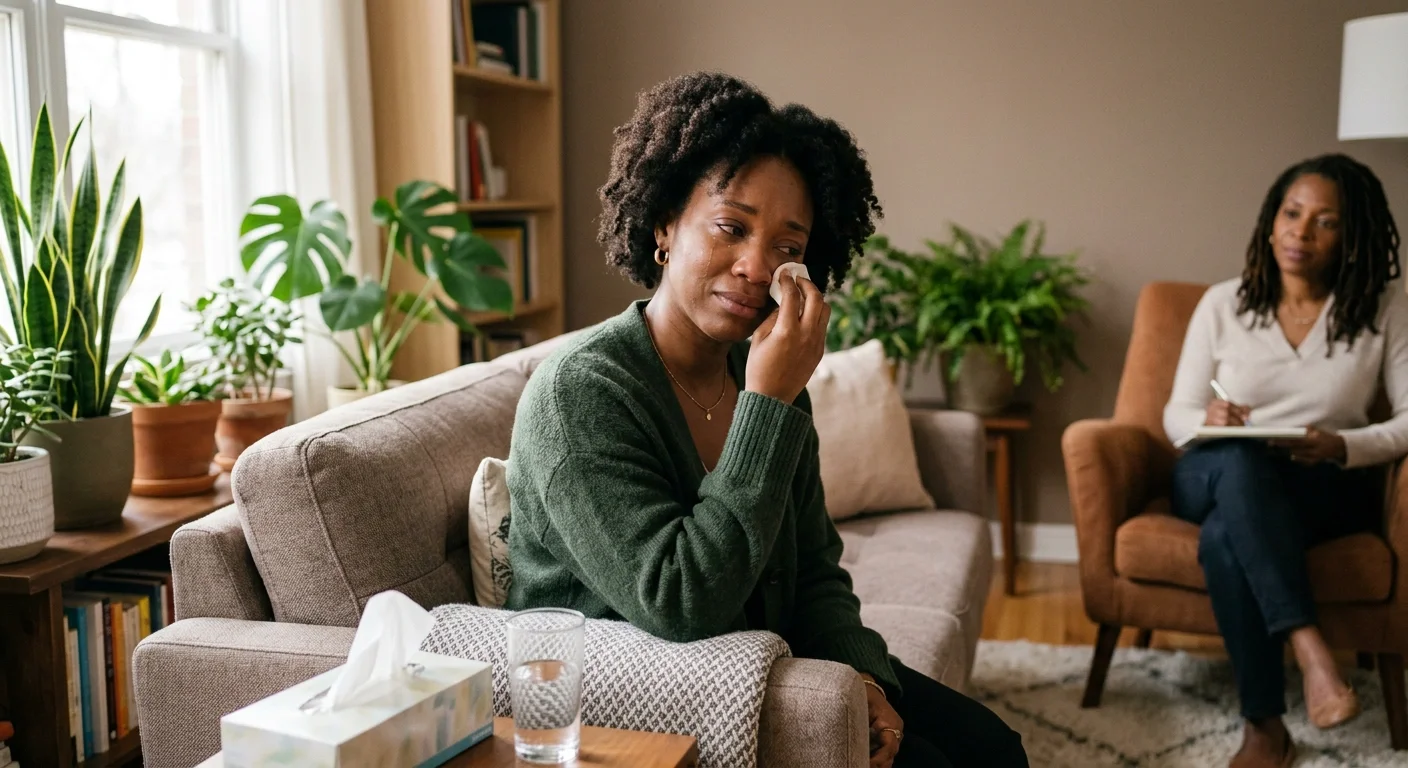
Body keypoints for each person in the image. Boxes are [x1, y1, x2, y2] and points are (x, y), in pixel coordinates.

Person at [502, 71, 1028, 768]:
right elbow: (682, 602)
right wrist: (768, 402)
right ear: (665, 223)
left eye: (788, 244)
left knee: (995, 749)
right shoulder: (582, 392)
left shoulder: (765, 382)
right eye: (732, 227)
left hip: (775, 669)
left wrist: (859, 673)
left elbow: (812, 568)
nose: (757, 266)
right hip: (644, 699)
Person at [1163, 153, 1406, 768]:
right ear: (1271, 222)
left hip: (1320, 480)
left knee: (1225, 537)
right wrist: (1208, 421)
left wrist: (1343, 444)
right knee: (1239, 468)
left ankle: (1265, 727)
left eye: (1325, 221)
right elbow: (1176, 415)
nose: (1301, 231)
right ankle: (1310, 647)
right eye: (1291, 213)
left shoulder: (1384, 308)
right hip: (1214, 470)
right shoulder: (1223, 303)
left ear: (1352, 239)